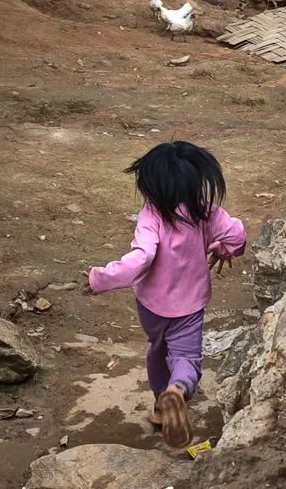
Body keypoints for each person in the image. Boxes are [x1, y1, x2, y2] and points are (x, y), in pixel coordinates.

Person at [88, 141, 246, 446]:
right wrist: (224, 249)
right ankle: (178, 390)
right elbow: (237, 235)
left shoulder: (151, 215)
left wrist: (100, 278)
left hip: (151, 306)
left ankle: (161, 403)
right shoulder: (205, 211)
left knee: (157, 348)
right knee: (185, 356)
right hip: (189, 306)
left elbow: (142, 257)